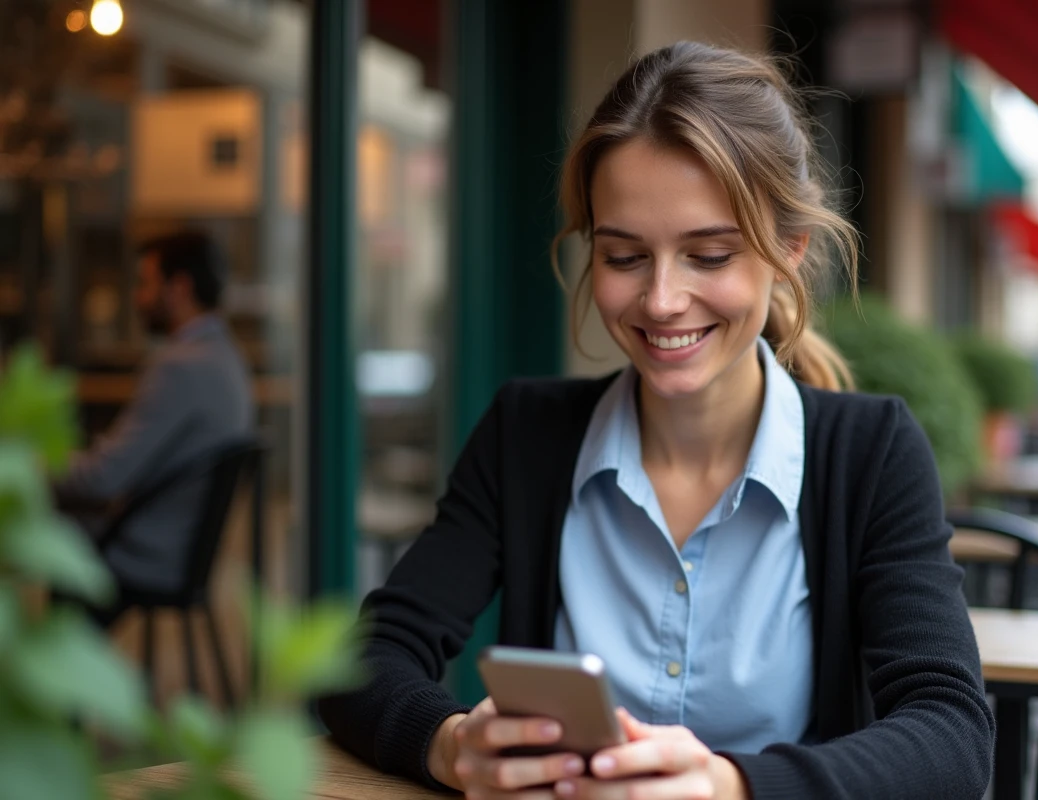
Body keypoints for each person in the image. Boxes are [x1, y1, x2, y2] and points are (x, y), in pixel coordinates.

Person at [319, 42, 994, 799]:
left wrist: (733, 787)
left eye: (708, 255)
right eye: (624, 257)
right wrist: (447, 744)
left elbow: (953, 737)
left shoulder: (871, 453)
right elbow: (363, 662)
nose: (662, 299)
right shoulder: (527, 435)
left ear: (788, 254)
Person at [55, 229, 253, 625]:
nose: (137, 298)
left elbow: (103, 479)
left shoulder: (180, 365)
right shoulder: (227, 357)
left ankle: (54, 679)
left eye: (145, 284)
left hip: (142, 555)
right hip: (183, 553)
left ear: (178, 288)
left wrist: (35, 467)